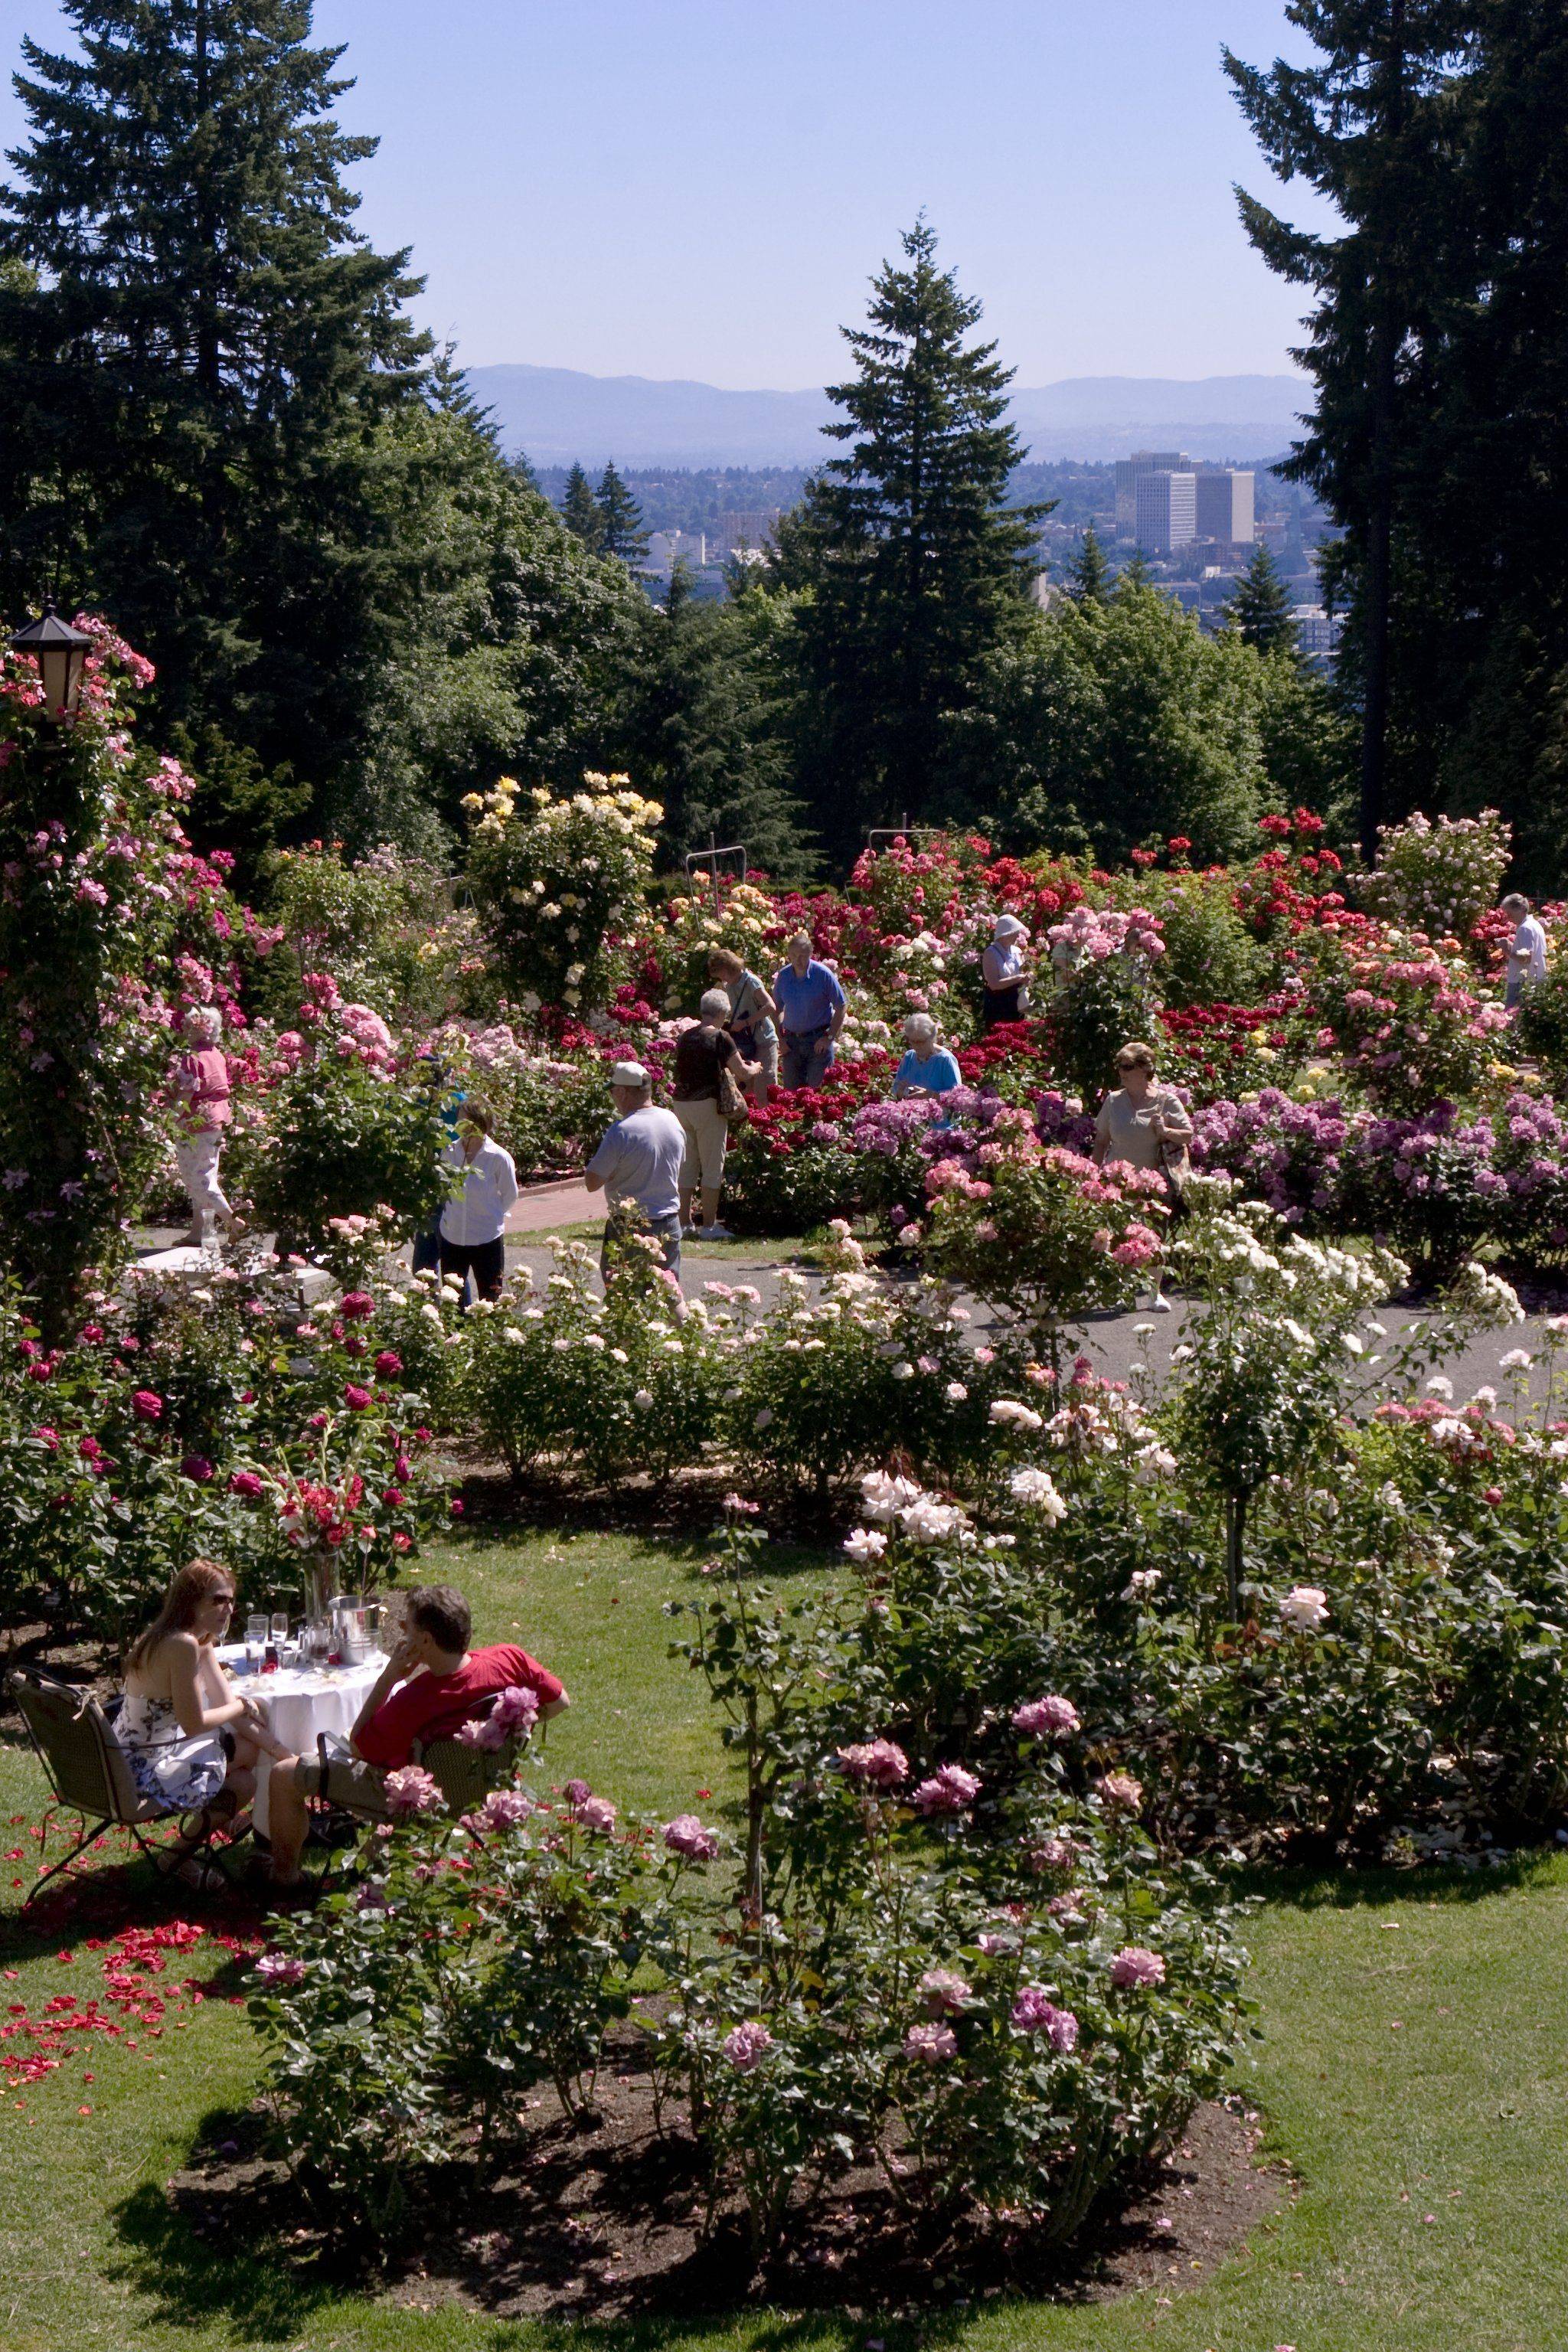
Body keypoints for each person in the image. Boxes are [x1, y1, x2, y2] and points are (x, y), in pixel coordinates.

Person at [268, 1586, 567, 1851]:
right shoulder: (509, 1659)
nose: (402, 1632)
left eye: (406, 1626)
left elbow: (359, 1748)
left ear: (425, 1640)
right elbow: (560, 1702)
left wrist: (388, 1678)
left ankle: (286, 1879)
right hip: (481, 1787)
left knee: (284, 1774)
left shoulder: (415, 1700)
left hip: (413, 1800)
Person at [120, 1559, 299, 1886]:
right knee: (245, 1773)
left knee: (246, 1772)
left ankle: (211, 1831)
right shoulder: (181, 1645)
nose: (227, 1608)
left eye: (231, 1600)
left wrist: (281, 1752)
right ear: (191, 1601)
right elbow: (196, 1723)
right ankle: (178, 1857)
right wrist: (243, 1708)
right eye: (217, 1600)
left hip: (134, 1752)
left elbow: (226, 1704)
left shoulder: (193, 1640)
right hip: (140, 1769)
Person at [1092, 1040, 1193, 1313]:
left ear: (1144, 1069)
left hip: (1154, 1182)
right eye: (1119, 1067)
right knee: (1120, 1237)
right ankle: (1122, 1292)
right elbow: (1101, 1140)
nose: (1121, 1072)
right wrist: (1093, 1174)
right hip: (1119, 1181)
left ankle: (1154, 1293)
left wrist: (1166, 1131)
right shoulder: (1113, 1101)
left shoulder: (1165, 1101)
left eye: (1126, 1067)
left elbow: (1188, 1134)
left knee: (1153, 1238)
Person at [583, 1060, 688, 1280]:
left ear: (622, 1092)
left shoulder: (622, 1131)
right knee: (667, 1293)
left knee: (624, 1296)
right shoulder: (672, 1120)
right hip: (669, 1223)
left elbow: (592, 1182)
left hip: (631, 1227)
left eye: (613, 1092)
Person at [672, 989, 761, 1241]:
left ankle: (684, 1223)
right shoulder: (721, 1037)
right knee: (712, 1166)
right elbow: (742, 1072)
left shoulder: (686, 1037)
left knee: (687, 1166)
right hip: (708, 1104)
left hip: (681, 1105)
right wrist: (755, 1068)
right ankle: (710, 1226)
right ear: (723, 1013)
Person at [172, 1005, 243, 1251]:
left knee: (198, 1179)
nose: (183, 1028)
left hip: (197, 1122)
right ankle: (198, 1231)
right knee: (207, 1173)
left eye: (187, 1024)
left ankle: (236, 1224)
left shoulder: (192, 1057)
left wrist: (168, 1121)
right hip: (217, 1119)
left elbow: (187, 1092)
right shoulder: (216, 1054)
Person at [438, 1103, 518, 1305]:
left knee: (489, 1301)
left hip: (487, 1238)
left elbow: (510, 1195)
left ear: (479, 1122)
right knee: (452, 1303)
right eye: (459, 1118)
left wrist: (492, 1214)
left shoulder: (498, 1157)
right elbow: (442, 1188)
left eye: (464, 1119)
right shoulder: (449, 1152)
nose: (459, 1124)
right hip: (452, 1237)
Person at [774, 932, 847, 1089]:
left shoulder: (822, 974)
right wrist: (781, 1039)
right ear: (789, 955)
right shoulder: (784, 976)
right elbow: (776, 1009)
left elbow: (841, 1006)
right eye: (794, 955)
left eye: (803, 955)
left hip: (817, 1042)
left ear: (810, 954)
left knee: (817, 1093)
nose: (798, 960)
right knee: (791, 1095)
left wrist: (829, 1037)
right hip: (791, 1043)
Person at [709, 947, 778, 1107]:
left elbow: (770, 1007)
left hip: (763, 1040)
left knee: (765, 1088)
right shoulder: (729, 986)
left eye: (721, 974)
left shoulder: (751, 981)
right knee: (744, 1088)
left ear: (728, 968)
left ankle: (768, 1125)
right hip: (745, 1041)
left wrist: (746, 1022)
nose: (722, 979)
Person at [891, 1012, 962, 1102]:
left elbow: (957, 1095)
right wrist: (901, 1092)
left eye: (921, 1041)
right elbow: (896, 1087)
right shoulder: (909, 1057)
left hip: (938, 1114)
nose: (917, 1046)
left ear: (932, 1037)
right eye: (913, 1041)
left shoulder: (945, 1059)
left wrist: (931, 1095)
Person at [981, 915, 1031, 1030]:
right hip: (999, 1003)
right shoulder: (990, 953)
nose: (1017, 936)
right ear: (1006, 934)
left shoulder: (1017, 951)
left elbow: (1023, 971)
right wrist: (1018, 978)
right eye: (1014, 933)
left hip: (1016, 1002)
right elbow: (994, 984)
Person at [1502, 893, 1548, 1011]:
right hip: (1534, 979)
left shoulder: (1526, 928)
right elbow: (1526, 951)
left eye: (1510, 913)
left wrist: (1506, 950)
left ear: (1521, 909)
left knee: (1511, 1019)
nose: (1509, 917)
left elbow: (1526, 958)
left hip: (1522, 982)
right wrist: (1511, 945)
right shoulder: (1534, 925)